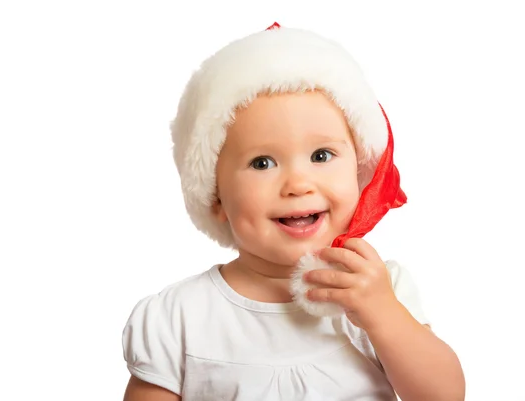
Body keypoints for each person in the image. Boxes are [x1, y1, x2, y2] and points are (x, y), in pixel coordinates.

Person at [121, 22, 465, 401]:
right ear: (215, 196)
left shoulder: (380, 287)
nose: (298, 184)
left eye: (321, 155)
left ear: (358, 170)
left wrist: (383, 314)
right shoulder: (180, 318)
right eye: (262, 163)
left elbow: (444, 395)